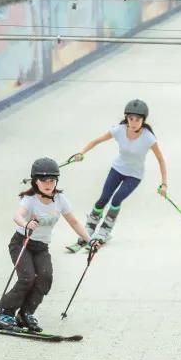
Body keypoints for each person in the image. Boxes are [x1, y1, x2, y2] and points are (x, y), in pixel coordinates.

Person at [0, 158, 96, 332]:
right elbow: (17, 215)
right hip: (22, 243)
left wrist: (89, 240)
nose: (48, 184)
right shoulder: (29, 199)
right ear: (35, 181)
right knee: (27, 277)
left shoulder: (60, 199)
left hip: (41, 247)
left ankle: (25, 313)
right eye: (44, 180)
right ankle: (5, 313)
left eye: (52, 180)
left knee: (45, 278)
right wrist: (25, 224)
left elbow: (74, 222)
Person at [70, 99, 168, 249]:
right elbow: (96, 141)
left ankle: (104, 231)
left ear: (143, 120)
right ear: (126, 118)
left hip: (134, 176)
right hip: (117, 169)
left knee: (116, 200)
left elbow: (161, 160)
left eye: (138, 119)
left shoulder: (149, 137)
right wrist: (81, 153)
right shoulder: (119, 130)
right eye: (131, 119)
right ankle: (89, 227)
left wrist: (164, 184)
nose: (134, 122)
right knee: (103, 199)